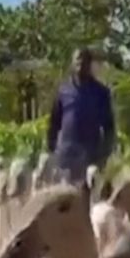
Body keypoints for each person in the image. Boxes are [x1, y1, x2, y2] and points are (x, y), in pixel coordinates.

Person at [46, 48, 117, 185]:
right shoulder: (63, 91)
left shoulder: (100, 92)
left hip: (90, 158)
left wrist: (102, 157)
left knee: (88, 199)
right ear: (72, 63)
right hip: (66, 158)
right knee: (67, 201)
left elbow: (109, 127)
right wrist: (51, 150)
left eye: (84, 60)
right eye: (77, 59)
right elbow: (54, 123)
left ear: (89, 64)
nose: (80, 62)